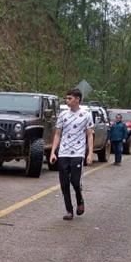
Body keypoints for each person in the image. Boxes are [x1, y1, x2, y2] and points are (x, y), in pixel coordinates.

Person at [49, 88, 93, 221]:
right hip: (63, 152)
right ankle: (69, 210)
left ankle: (80, 200)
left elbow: (90, 134)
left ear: (77, 99)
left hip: (78, 152)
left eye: (70, 98)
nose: (67, 101)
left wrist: (90, 153)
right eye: (66, 98)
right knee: (64, 183)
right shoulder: (63, 115)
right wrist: (53, 152)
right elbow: (57, 134)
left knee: (74, 180)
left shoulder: (86, 115)